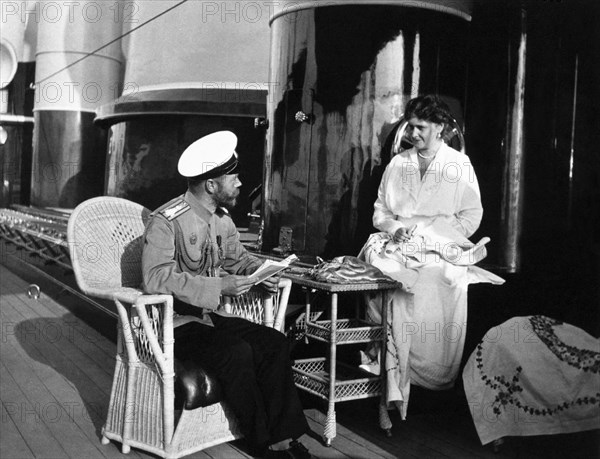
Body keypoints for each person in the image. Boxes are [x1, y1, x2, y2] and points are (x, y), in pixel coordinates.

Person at [142, 131, 313, 459]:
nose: (239, 183)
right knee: (236, 351)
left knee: (274, 343)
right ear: (210, 185)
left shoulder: (222, 221)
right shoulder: (166, 220)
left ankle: (286, 436)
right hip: (175, 323)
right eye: (233, 177)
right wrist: (220, 286)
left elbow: (239, 260)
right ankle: (264, 443)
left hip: (212, 317)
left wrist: (265, 274)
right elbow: (155, 277)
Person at [358, 95, 504, 419]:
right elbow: (380, 211)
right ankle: (391, 384)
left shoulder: (458, 165)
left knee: (440, 277)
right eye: (410, 126)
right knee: (392, 280)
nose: (413, 133)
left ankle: (423, 380)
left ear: (439, 127)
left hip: (439, 245)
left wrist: (444, 235)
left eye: (420, 127)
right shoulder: (398, 164)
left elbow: (472, 214)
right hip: (398, 243)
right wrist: (395, 228)